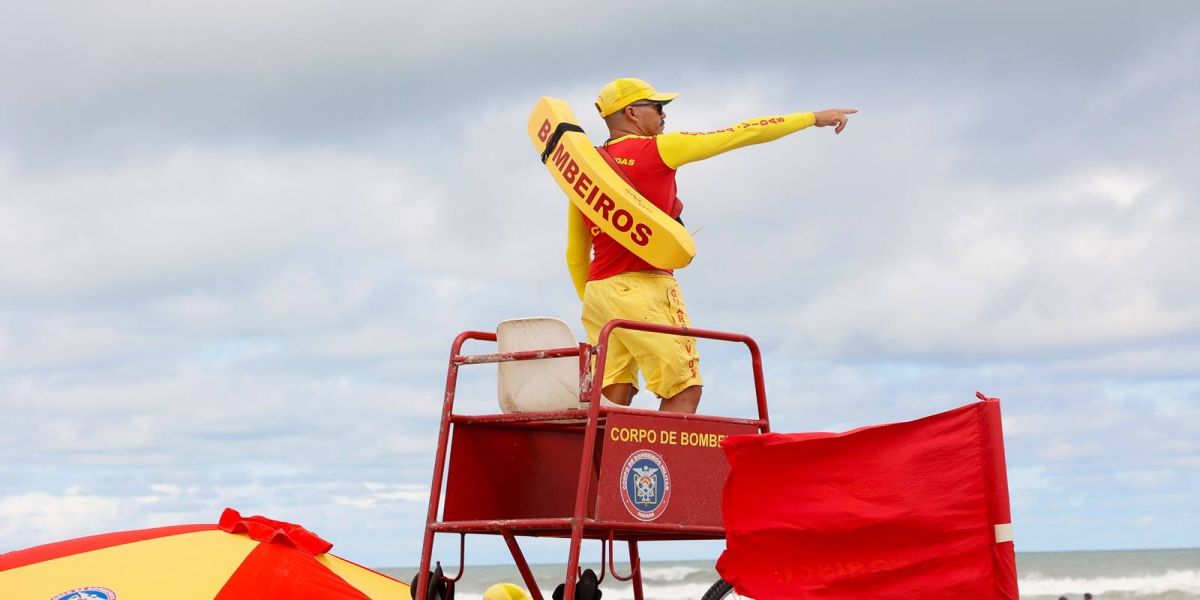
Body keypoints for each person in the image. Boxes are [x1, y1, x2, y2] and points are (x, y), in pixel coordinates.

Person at [569, 77, 856, 413]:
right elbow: (738, 134)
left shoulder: (587, 172)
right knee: (684, 389)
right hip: (645, 286)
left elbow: (575, 254)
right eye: (658, 107)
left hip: (598, 294)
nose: (664, 115)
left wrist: (596, 302)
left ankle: (592, 466)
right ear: (632, 113)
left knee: (613, 392)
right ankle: (661, 468)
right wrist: (811, 118)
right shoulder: (658, 149)